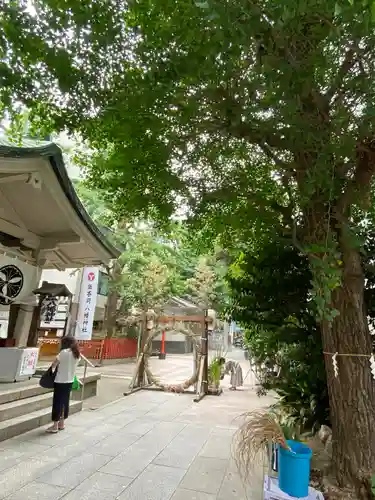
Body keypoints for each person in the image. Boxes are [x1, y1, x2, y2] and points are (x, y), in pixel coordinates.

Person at [47, 336, 80, 433]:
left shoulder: (63, 353)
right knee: (65, 402)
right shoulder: (77, 354)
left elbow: (54, 364)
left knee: (57, 402)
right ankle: (62, 423)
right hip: (69, 381)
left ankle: (55, 426)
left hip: (60, 381)